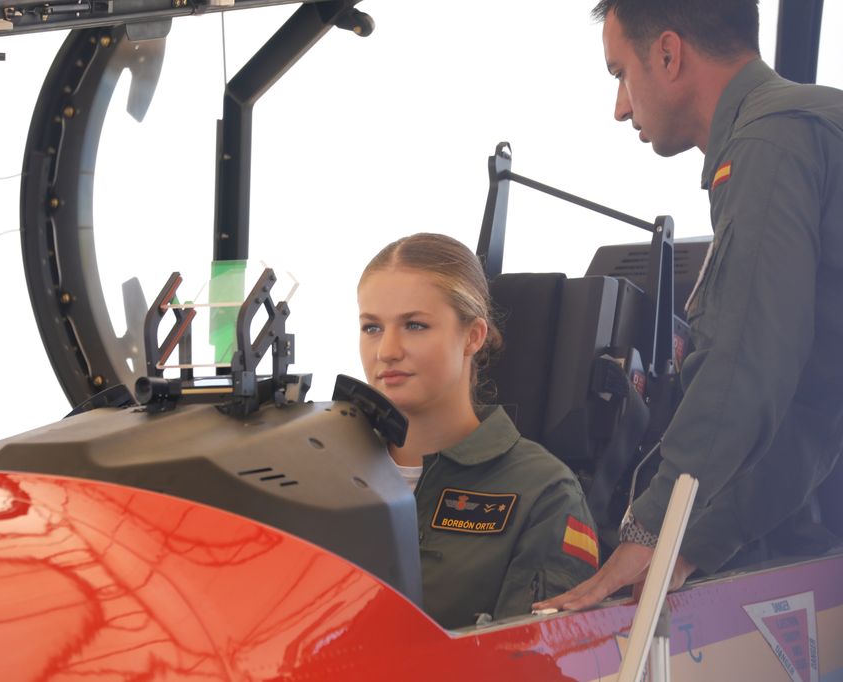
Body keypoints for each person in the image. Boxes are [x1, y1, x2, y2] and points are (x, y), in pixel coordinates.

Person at [536, 0, 843, 612]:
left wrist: (650, 527)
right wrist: (690, 542)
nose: (620, 107)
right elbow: (814, 410)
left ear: (669, 54)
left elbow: (743, 365)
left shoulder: (770, 141)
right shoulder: (804, 126)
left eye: (621, 74)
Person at [357, 232, 598, 628]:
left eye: (415, 325)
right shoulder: (322, 468)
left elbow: (536, 656)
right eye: (372, 328)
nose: (386, 351)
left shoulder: (544, 494)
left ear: (472, 336)